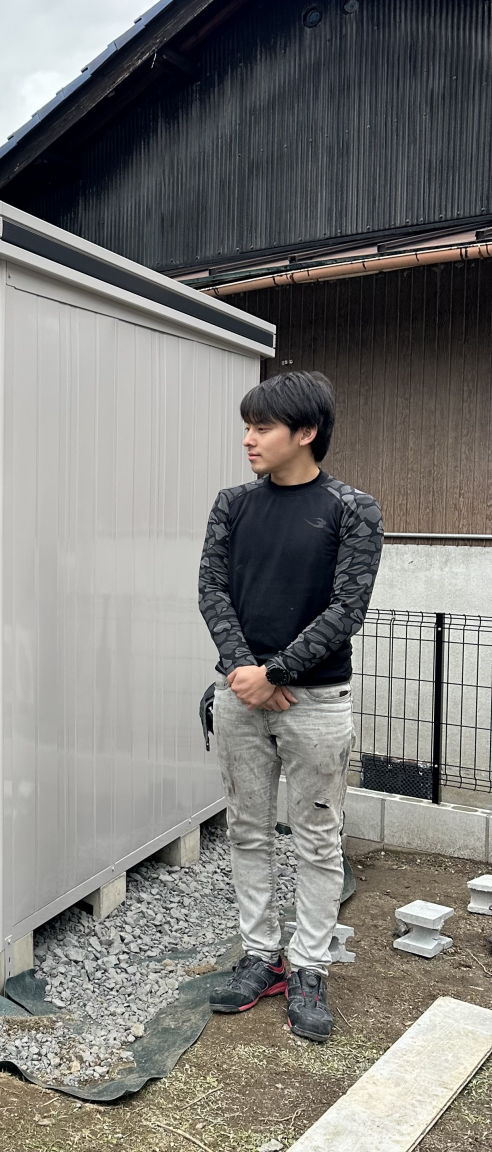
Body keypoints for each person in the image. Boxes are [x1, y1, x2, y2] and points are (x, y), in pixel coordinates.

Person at [198, 370, 382, 1042]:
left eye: (262, 426)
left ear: (306, 433)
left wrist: (275, 671)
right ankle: (259, 957)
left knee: (316, 839)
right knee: (246, 830)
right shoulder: (232, 504)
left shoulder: (352, 509)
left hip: (317, 702)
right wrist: (245, 672)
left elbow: (347, 607)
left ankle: (308, 967)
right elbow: (211, 589)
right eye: (246, 425)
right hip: (240, 695)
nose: (248, 439)